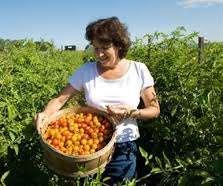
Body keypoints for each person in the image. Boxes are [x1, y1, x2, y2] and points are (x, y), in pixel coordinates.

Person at [34, 16, 160, 185]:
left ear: (119, 45)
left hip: (124, 148)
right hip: (87, 150)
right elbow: (59, 100)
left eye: (105, 47)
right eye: (95, 48)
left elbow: (154, 109)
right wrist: (45, 113)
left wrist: (132, 112)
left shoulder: (139, 70)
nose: (99, 54)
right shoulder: (86, 71)